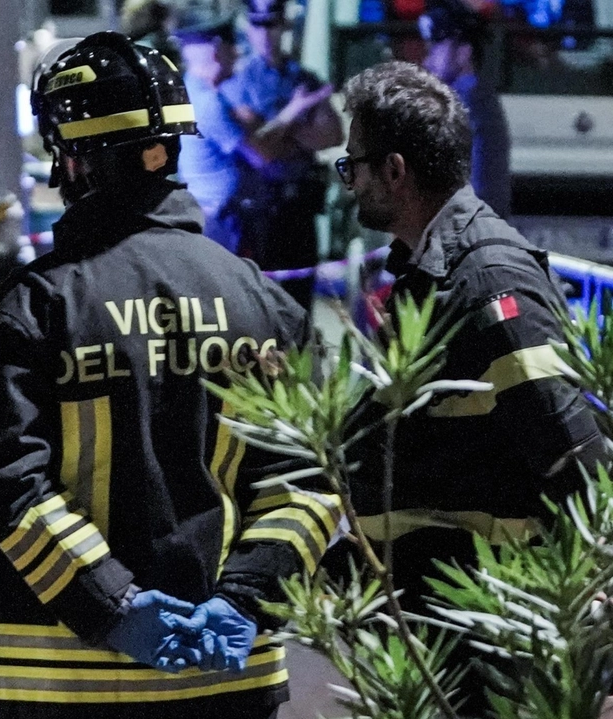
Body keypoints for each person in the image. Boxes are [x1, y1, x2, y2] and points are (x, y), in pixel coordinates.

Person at [0, 31, 342, 719]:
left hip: (62, 684)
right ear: (172, 146)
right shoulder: (262, 301)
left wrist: (114, 604)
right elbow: (311, 486)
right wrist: (242, 599)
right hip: (227, 680)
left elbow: (10, 488)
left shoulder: (34, 305)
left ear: (72, 159)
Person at [336, 61, 604, 707]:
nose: (349, 183)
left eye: (353, 166)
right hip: (440, 613)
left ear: (395, 170)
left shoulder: (483, 279)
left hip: (485, 626)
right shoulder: (434, 269)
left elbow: (568, 443)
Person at [222, 0, 344, 308]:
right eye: (258, 24)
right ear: (249, 29)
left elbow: (332, 135)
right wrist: (296, 115)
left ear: (284, 26)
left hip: (300, 207)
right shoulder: (237, 81)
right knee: (262, 305)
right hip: (260, 209)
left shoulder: (303, 78)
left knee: (300, 304)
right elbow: (259, 152)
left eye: (272, 23)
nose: (266, 33)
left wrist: (276, 132)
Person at [421, 0, 511, 217]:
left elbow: (477, 191)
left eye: (436, 49)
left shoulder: (468, 105)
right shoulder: (469, 100)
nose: (428, 61)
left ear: (464, 52)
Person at [176, 14, 243, 252]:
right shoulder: (208, 102)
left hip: (204, 213)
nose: (237, 53)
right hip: (216, 220)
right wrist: (294, 113)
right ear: (216, 50)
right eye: (231, 46)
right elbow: (261, 155)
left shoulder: (188, 93)